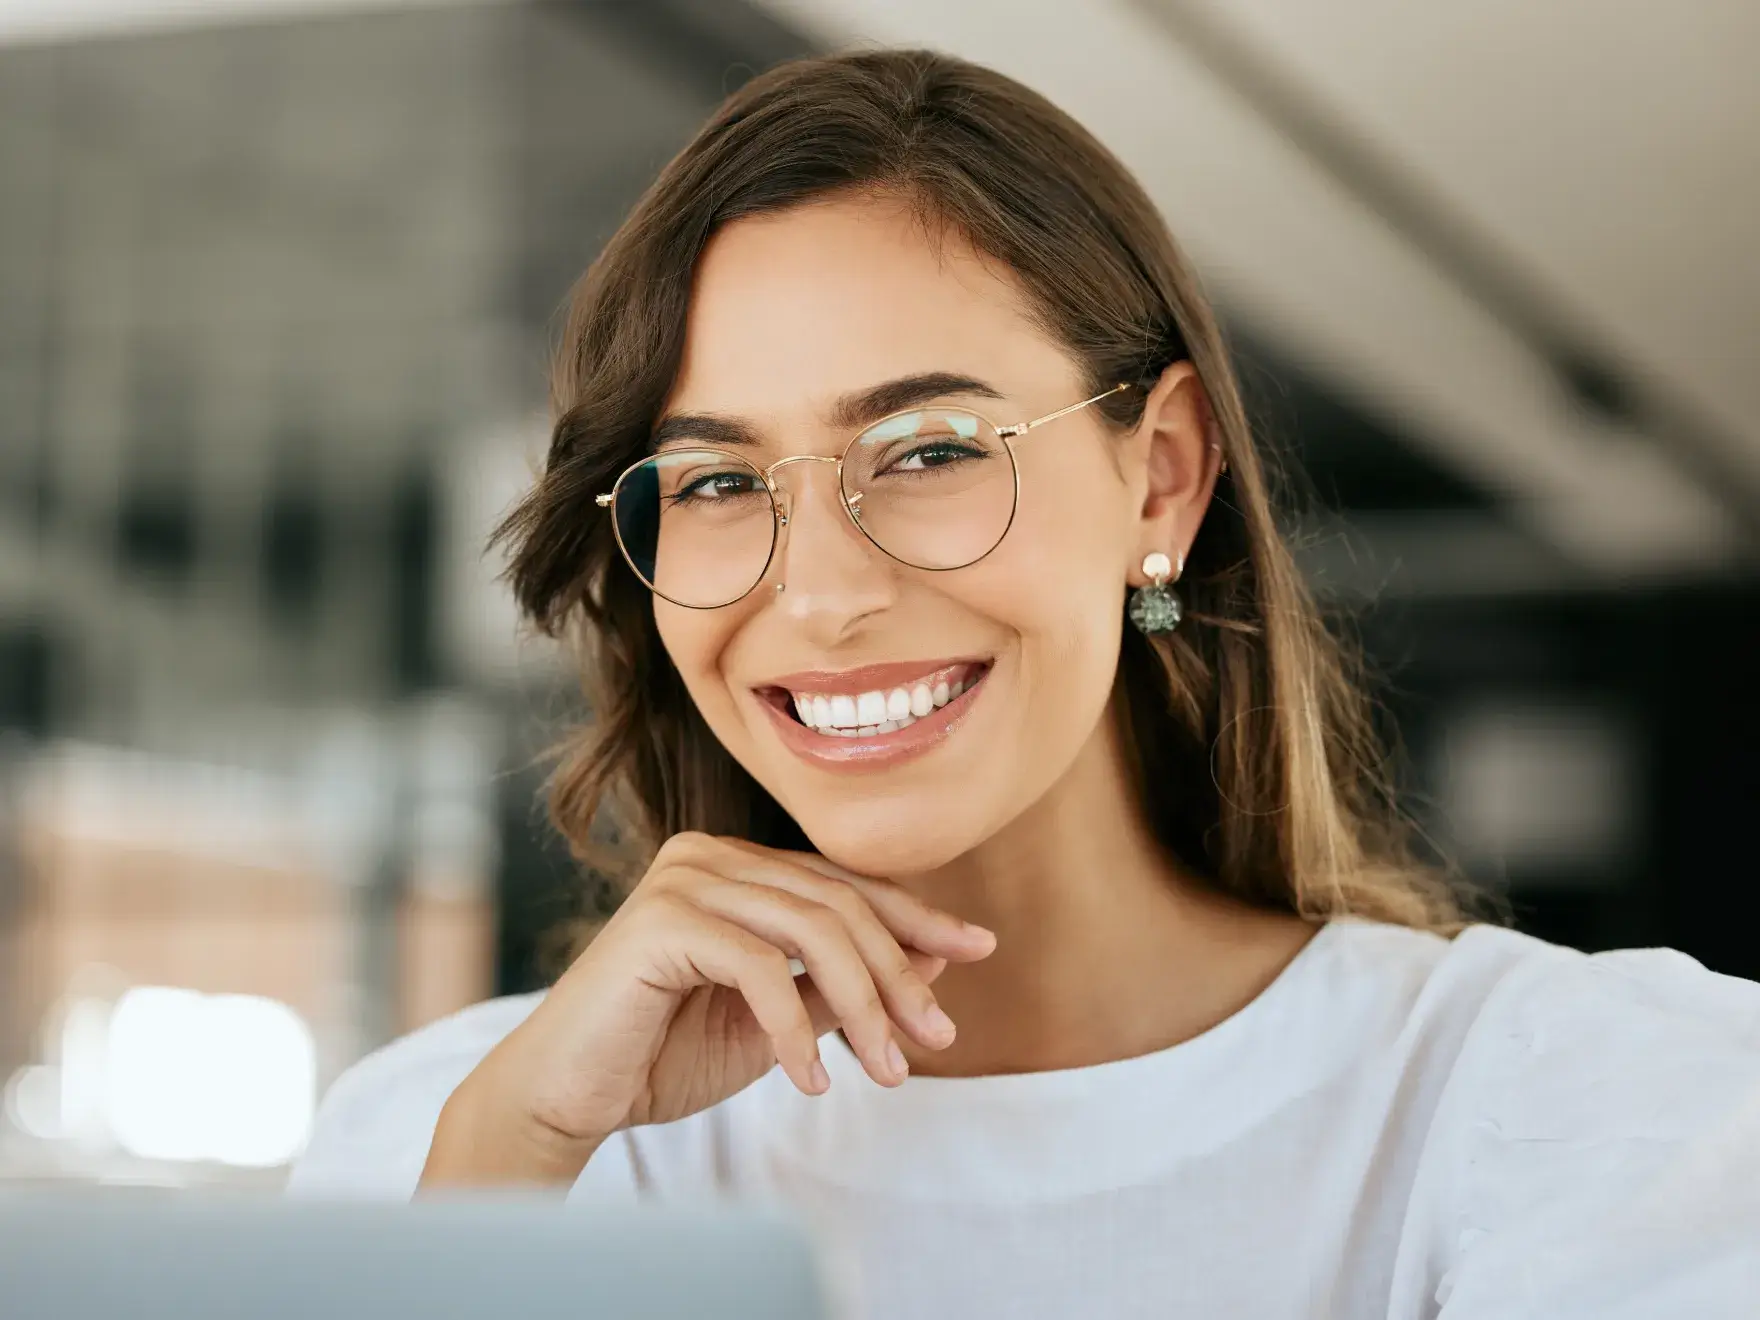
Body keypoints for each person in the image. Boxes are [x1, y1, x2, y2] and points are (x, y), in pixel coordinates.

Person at [287, 49, 1760, 1317]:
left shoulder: (1564, 1110)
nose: (820, 595)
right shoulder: (464, 1136)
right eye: (717, 480)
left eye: (929, 453)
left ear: (1163, 480)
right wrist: (504, 1171)